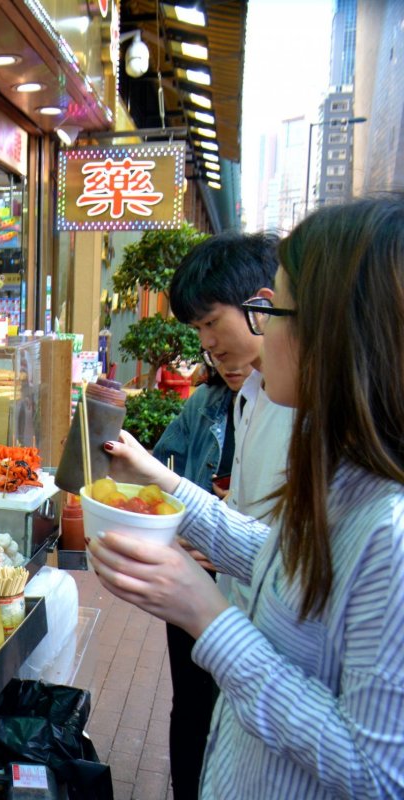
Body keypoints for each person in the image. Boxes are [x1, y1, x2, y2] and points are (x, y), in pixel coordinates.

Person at [93, 196, 404, 798]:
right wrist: (164, 481)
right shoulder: (343, 470)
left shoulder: (389, 529)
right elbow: (285, 560)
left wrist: (207, 615)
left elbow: (378, 773)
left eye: (275, 309)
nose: (260, 330)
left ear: (341, 331)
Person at [151, 231, 279, 800]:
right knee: (197, 711)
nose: (209, 347)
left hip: (238, 609)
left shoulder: (304, 412)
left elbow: (372, 764)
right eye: (198, 333)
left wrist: (210, 607)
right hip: (210, 587)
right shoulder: (223, 401)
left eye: (212, 325)